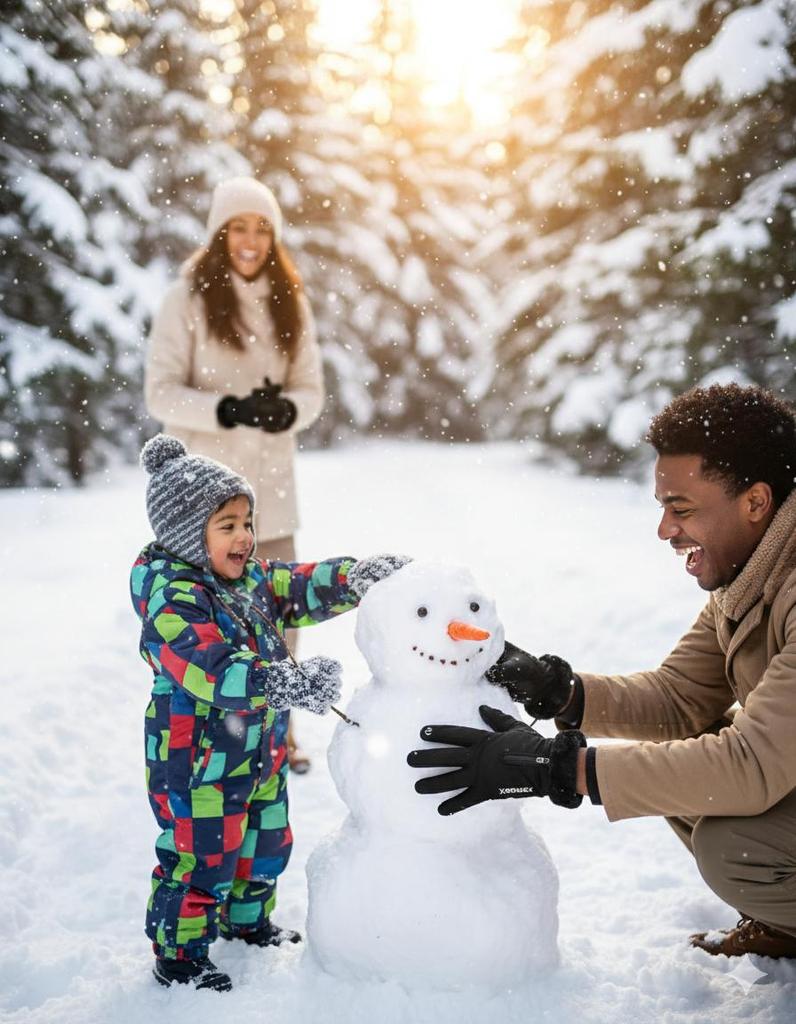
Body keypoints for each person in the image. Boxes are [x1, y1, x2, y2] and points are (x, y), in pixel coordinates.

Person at [408, 383, 796, 960]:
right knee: (692, 763)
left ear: (755, 503)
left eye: (682, 509)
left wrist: (556, 770)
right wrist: (559, 691)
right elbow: (677, 700)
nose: (665, 529)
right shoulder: (749, 572)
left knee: (731, 840)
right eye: (663, 508)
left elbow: (752, 765)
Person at [132, 434, 407, 991]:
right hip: (197, 763)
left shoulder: (249, 576)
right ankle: (179, 955)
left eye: (246, 522)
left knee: (266, 839)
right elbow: (209, 667)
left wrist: (353, 579)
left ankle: (248, 920)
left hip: (257, 750)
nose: (245, 537)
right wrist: (281, 682)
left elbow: (296, 586)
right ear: (188, 535)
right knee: (202, 856)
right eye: (226, 526)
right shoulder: (173, 599)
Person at [145, 175, 321, 773]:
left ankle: (280, 734)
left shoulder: (290, 301)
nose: (251, 240)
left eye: (263, 227)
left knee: (281, 613)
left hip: (270, 490)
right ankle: (199, 738)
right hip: (203, 496)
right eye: (240, 227)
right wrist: (226, 409)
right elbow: (159, 392)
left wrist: (285, 410)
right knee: (203, 624)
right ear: (221, 234)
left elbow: (312, 391)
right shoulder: (186, 300)